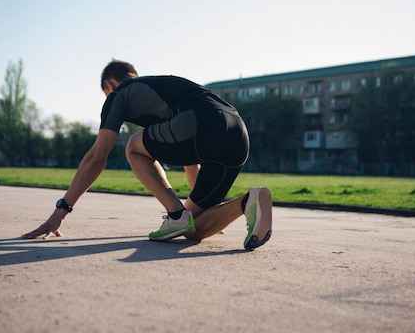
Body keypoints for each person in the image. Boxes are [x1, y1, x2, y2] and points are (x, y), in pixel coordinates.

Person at [21, 60, 272, 250]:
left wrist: (61, 210)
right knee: (193, 231)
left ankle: (175, 215)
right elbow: (189, 153)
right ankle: (249, 201)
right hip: (238, 133)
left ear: (108, 85)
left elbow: (97, 156)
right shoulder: (159, 86)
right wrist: (200, 210)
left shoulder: (119, 94)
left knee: (132, 147)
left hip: (201, 124)